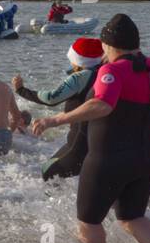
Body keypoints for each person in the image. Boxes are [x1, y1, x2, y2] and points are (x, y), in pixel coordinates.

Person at [30, 14, 150, 243]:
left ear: (107, 45)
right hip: (148, 156)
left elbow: (103, 105)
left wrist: (55, 119)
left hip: (110, 158)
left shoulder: (111, 70)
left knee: (89, 221)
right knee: (133, 216)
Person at [12, 37, 105, 180]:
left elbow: (51, 98)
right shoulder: (104, 73)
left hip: (80, 141)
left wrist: (21, 90)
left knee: (48, 172)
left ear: (78, 60)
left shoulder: (81, 77)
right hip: (101, 141)